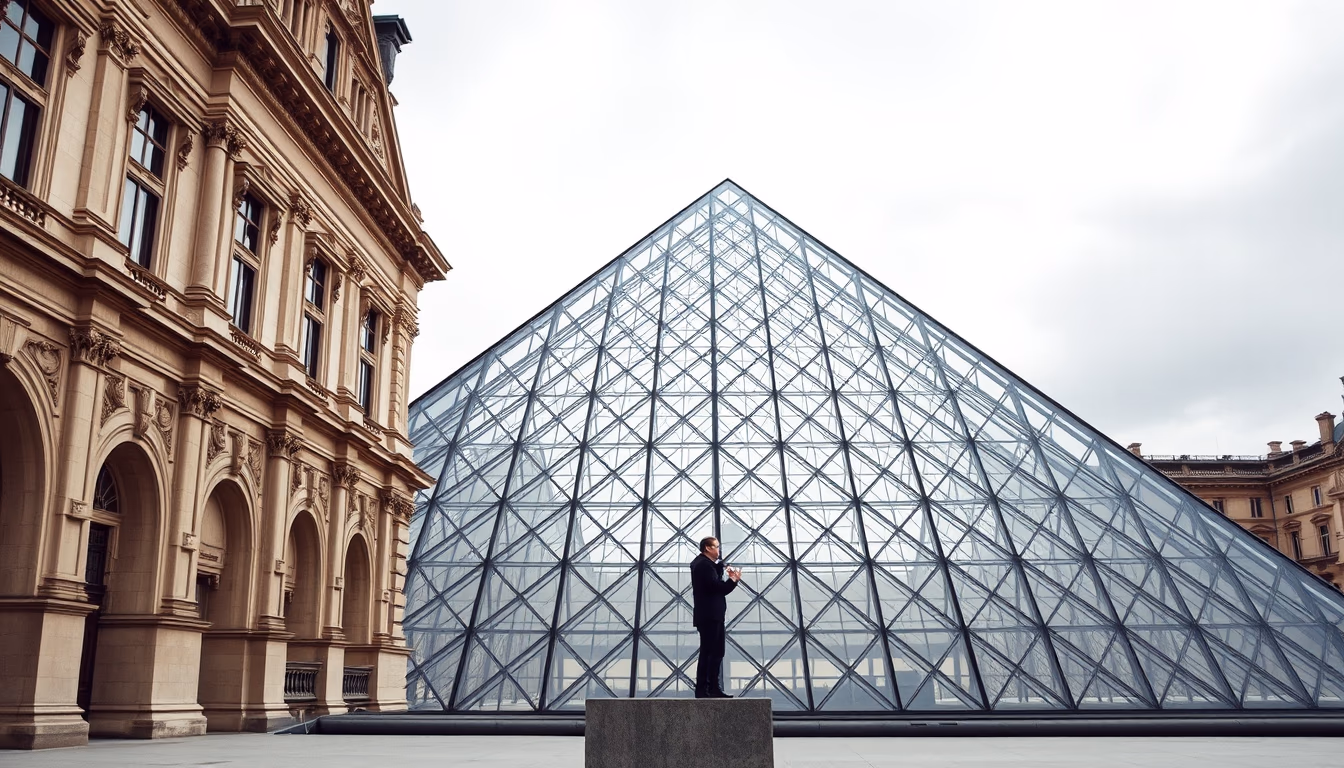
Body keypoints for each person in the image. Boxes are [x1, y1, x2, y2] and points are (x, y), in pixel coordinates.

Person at [690, 535, 740, 699]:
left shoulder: (701, 564)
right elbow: (717, 587)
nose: (719, 550)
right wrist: (733, 580)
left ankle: (706, 689)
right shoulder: (704, 566)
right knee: (714, 652)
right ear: (708, 548)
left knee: (708, 652)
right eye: (716, 546)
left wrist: (721, 568)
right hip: (711, 614)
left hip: (707, 614)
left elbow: (711, 580)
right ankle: (711, 688)